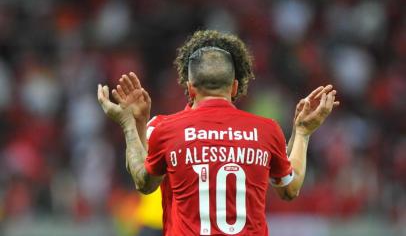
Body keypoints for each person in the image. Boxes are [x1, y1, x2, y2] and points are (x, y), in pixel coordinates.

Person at [98, 30, 339, 235]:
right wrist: (303, 132)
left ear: (190, 88)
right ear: (235, 86)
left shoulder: (164, 129)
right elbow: (289, 189)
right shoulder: (267, 130)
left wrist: (130, 124)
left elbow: (144, 182)